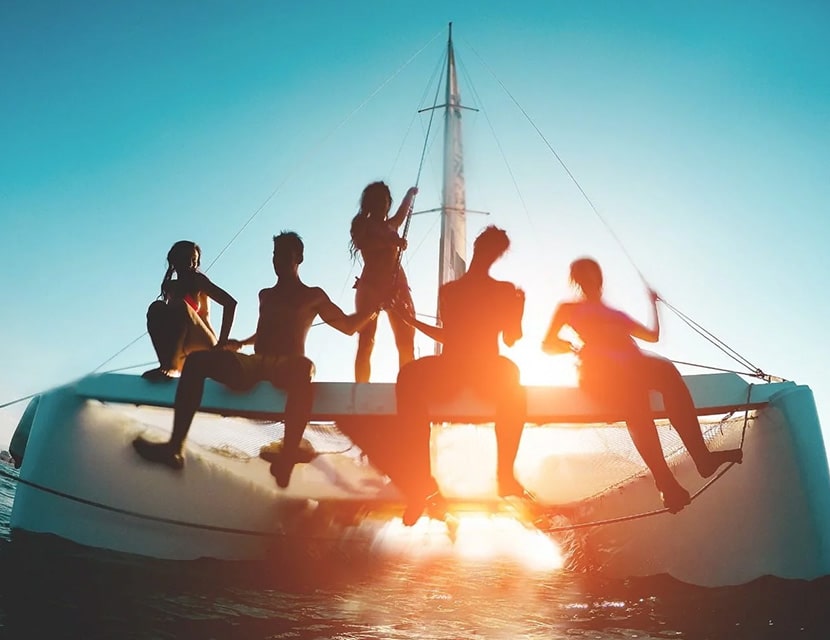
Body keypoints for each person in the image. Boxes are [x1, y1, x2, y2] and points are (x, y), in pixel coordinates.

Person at [133, 231, 380, 487]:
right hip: (255, 362)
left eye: (284, 255)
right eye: (275, 255)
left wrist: (374, 309)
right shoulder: (266, 295)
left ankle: (287, 456)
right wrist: (239, 344)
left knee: (305, 368)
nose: (277, 260)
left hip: (287, 365)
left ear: (299, 258)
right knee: (198, 362)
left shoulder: (313, 295)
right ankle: (175, 448)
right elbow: (264, 332)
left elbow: (349, 327)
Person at [541, 257, 743, 513]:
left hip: (633, 363)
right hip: (599, 371)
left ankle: (702, 458)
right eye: (583, 275)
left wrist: (653, 304)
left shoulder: (616, 314)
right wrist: (571, 346)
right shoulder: (568, 308)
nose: (589, 280)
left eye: (593, 274)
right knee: (633, 393)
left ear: (599, 278)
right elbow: (547, 344)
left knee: (667, 372)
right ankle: (665, 481)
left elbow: (652, 336)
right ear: (577, 280)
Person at [391, 225, 528, 525]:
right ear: (487, 251)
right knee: (409, 376)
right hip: (466, 367)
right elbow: (463, 335)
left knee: (513, 378)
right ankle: (421, 482)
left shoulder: (480, 291)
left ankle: (504, 474)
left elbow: (510, 338)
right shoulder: (461, 291)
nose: (488, 254)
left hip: (468, 368)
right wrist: (409, 320)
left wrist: (518, 308)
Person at [349, 181, 418, 382]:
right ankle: (361, 388)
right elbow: (363, 242)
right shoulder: (361, 224)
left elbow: (402, 214)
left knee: (406, 340)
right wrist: (391, 241)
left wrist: (409, 194)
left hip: (397, 284)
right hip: (370, 286)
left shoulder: (392, 224)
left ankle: (409, 387)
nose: (382, 204)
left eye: (386, 200)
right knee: (366, 339)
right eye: (378, 200)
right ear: (369, 203)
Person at [142, 240, 237, 382]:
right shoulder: (170, 286)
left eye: (194, 260)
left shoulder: (198, 280)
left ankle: (170, 367)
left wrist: (222, 343)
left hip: (204, 344)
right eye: (186, 258)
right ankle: (166, 365)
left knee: (180, 305)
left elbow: (230, 303)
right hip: (182, 351)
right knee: (156, 307)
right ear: (175, 259)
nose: (191, 263)